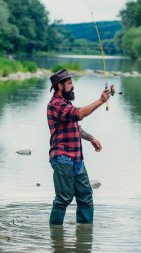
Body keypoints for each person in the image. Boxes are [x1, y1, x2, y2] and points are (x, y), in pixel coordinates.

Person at [47, 68, 110, 225]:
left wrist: (90, 138)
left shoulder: (66, 104)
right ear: (60, 86)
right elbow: (78, 114)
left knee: (86, 196)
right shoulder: (55, 104)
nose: (72, 85)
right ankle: (55, 237)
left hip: (76, 159)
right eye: (69, 83)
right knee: (63, 199)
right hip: (62, 158)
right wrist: (101, 101)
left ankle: (84, 233)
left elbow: (76, 127)